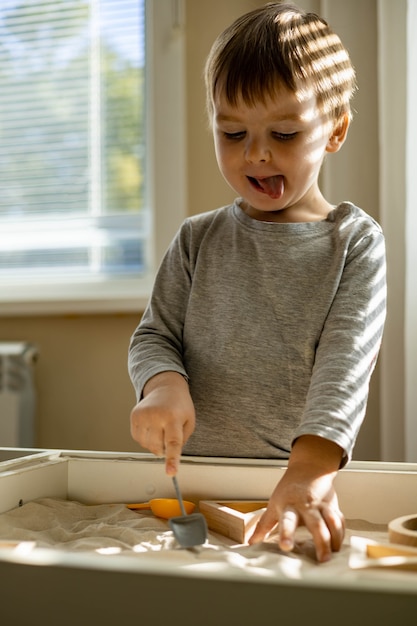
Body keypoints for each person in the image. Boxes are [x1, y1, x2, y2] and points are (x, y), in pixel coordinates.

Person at [128, 2, 386, 563]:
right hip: (196, 484)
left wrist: (311, 471)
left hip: (292, 480)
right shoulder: (197, 239)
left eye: (285, 133)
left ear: (335, 129)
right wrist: (163, 387)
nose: (257, 152)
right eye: (233, 131)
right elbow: (155, 336)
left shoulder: (354, 242)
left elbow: (344, 368)